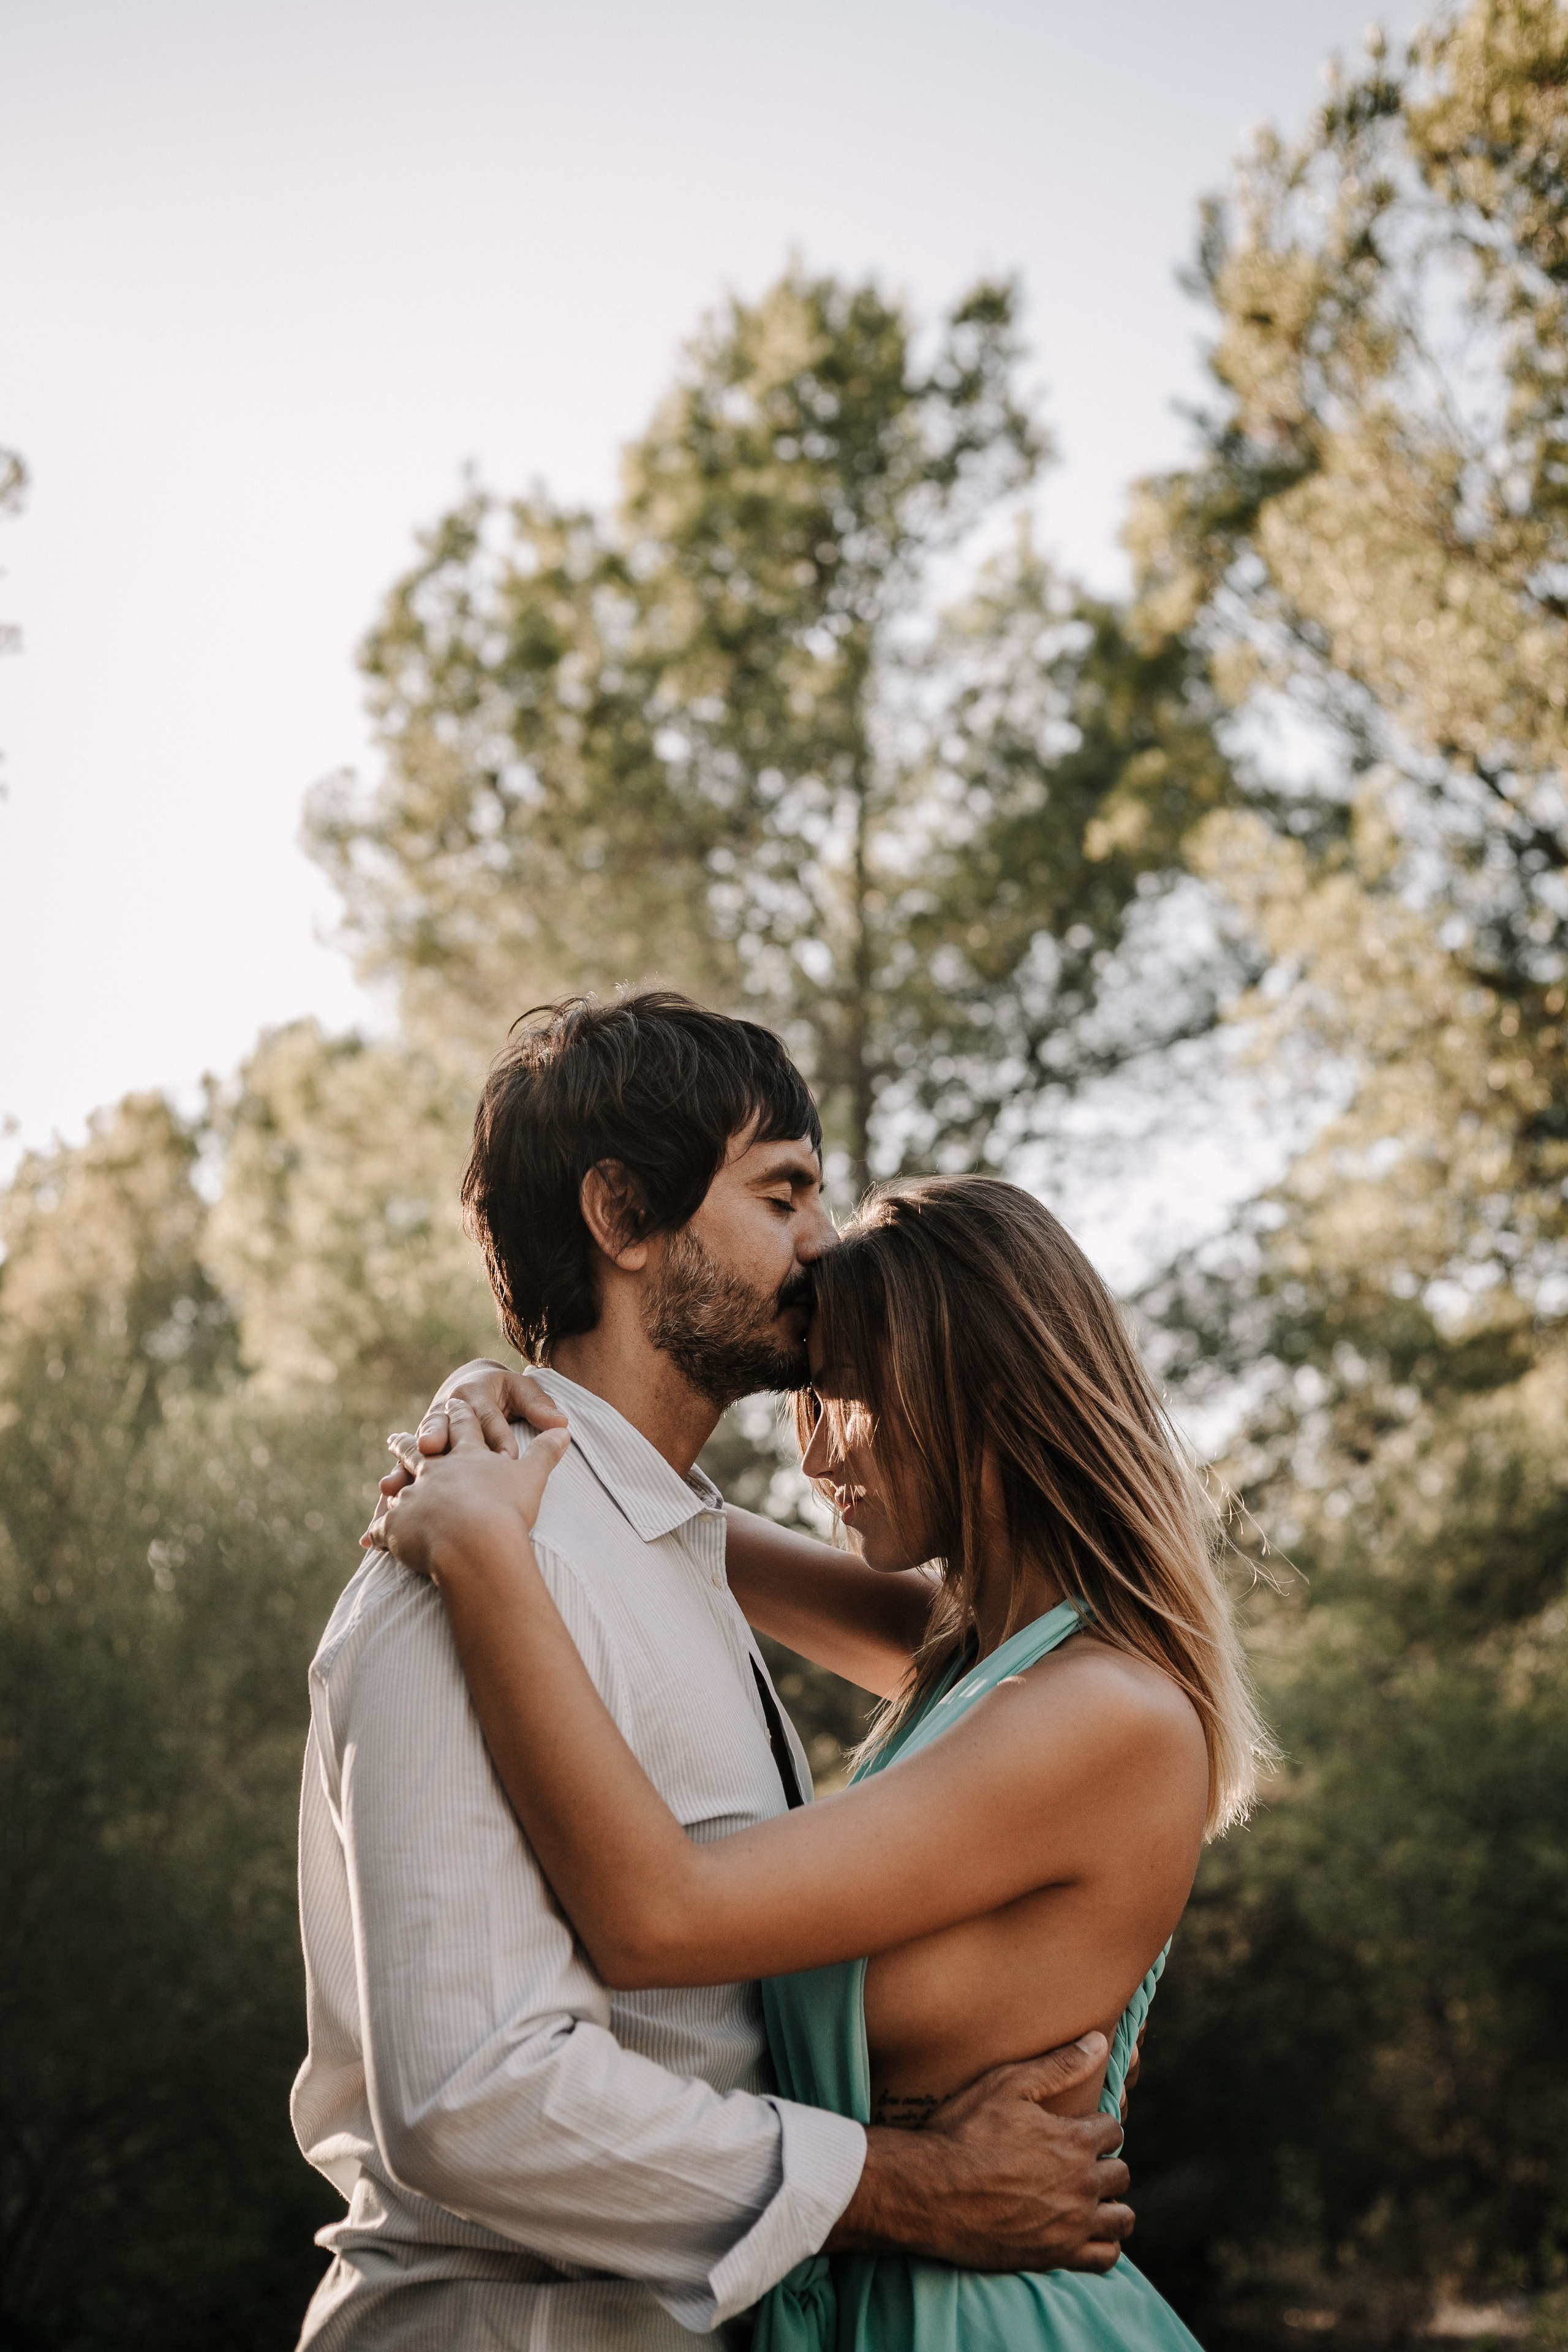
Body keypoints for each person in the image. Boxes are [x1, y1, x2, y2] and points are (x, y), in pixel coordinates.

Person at [290, 992, 1136, 2352]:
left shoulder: (647, 1549)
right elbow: (470, 2097)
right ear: (623, 1217)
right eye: (785, 1191)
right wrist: (911, 2188)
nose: (822, 1241)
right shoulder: (466, 1569)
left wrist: (480, 1399)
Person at [375, 1169, 1272, 2351]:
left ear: (973, 1390)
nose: (812, 1455)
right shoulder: (978, 1661)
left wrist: (483, 1556)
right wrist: (488, 1396)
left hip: (982, 2320)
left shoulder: (1102, 1715)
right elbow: (648, 1499)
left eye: (840, 1396)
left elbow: (660, 1917)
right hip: (869, 2299)